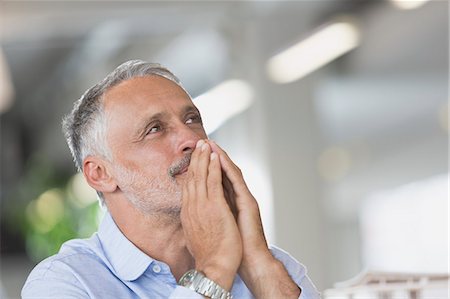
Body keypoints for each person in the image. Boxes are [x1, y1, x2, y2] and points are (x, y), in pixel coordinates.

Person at [22, 60, 320, 299]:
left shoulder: (270, 265)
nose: (191, 138)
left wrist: (258, 264)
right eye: (155, 129)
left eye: (192, 119)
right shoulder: (65, 283)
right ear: (100, 174)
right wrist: (213, 269)